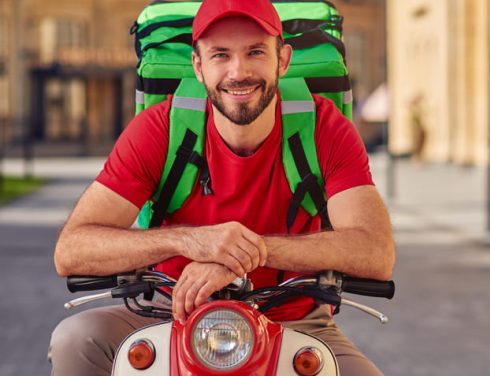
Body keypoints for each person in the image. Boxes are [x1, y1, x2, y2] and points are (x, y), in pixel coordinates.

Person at [48, 0, 395, 375]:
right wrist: (188, 241)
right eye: (220, 55)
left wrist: (244, 254)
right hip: (170, 312)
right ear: (198, 66)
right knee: (76, 337)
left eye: (256, 52)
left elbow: (375, 251)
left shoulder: (325, 128)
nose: (238, 71)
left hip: (292, 318)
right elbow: (72, 249)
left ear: (283, 59)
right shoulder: (159, 129)